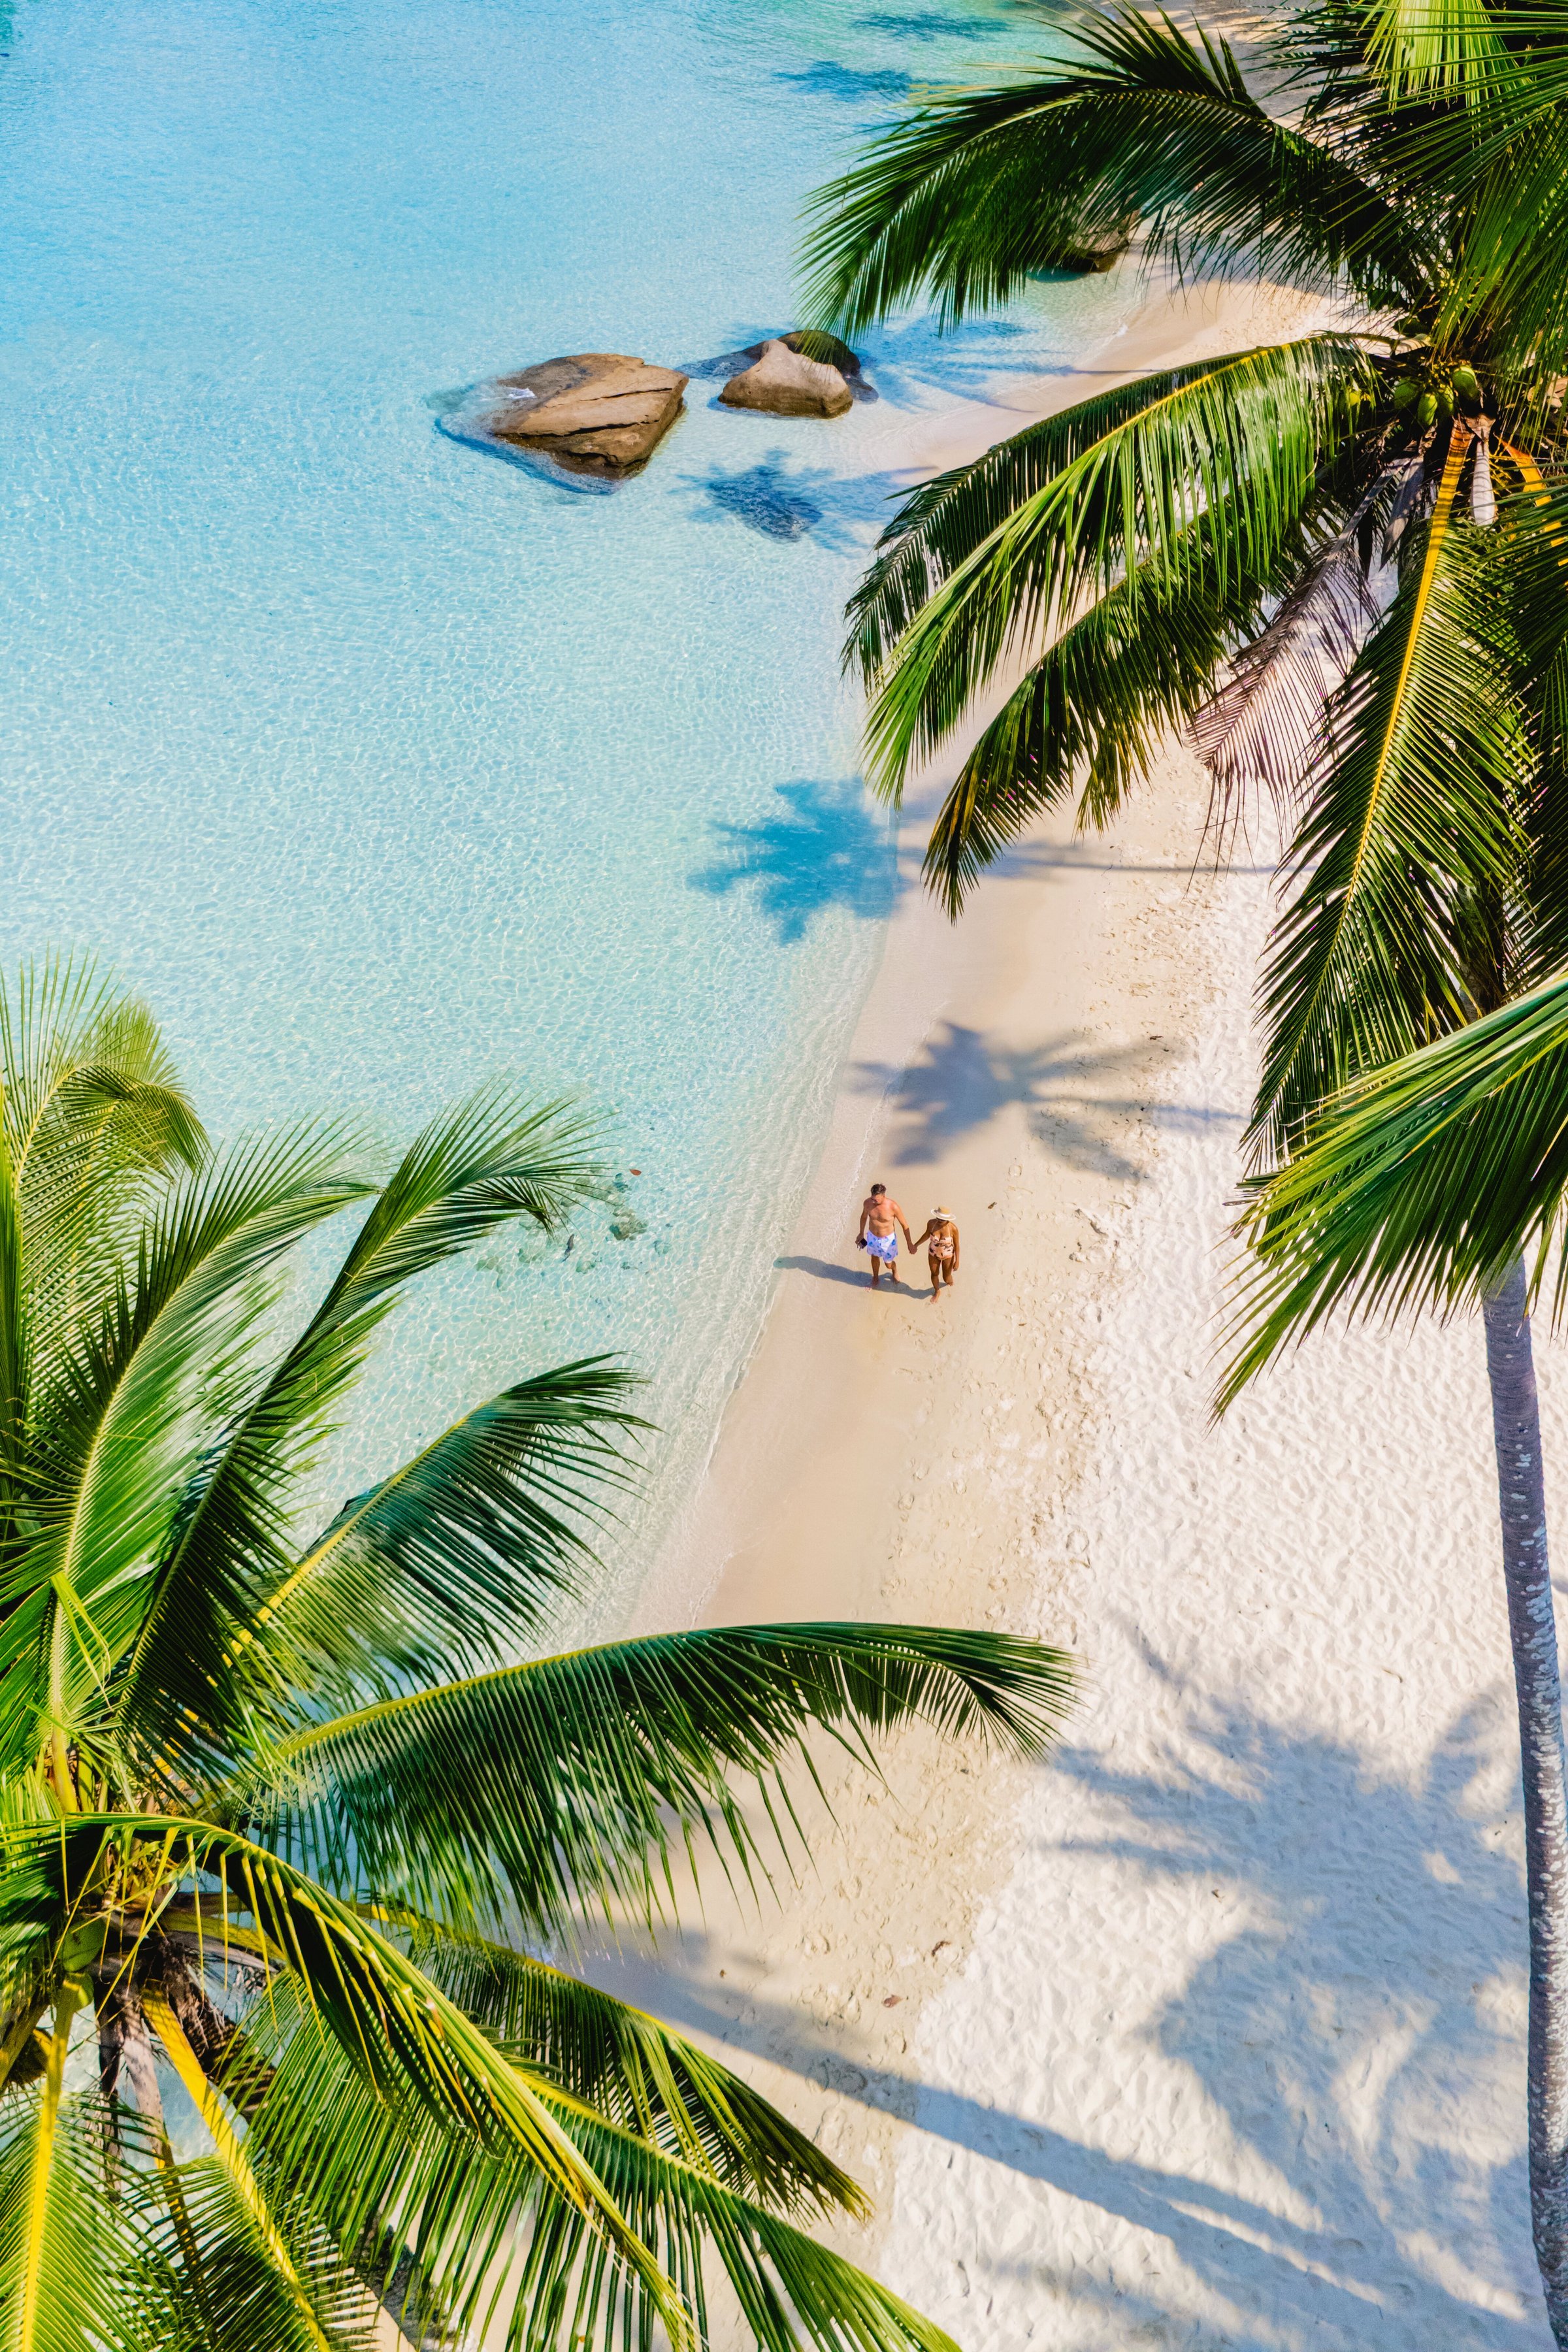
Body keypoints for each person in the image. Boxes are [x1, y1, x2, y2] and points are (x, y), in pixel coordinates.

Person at [855, 1181, 914, 1287]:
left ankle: (894, 1270)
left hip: (888, 1240)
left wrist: (909, 1244)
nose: (874, 1202)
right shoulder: (867, 1203)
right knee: (874, 1258)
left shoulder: (893, 1207)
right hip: (872, 1237)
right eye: (872, 1199)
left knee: (888, 1264)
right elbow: (864, 1217)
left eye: (876, 1200)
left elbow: (905, 1225)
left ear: (883, 1196)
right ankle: (876, 1277)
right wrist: (861, 1233)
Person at [910, 1205, 960, 1297]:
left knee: (946, 1278)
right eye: (938, 1218)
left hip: (948, 1255)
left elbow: (957, 1245)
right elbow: (926, 1235)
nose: (939, 1220)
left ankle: (949, 1280)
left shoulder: (953, 1229)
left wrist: (957, 1261)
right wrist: (916, 1245)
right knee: (934, 1274)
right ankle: (937, 1291)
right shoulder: (931, 1224)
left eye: (942, 1219)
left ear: (948, 1220)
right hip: (933, 1253)